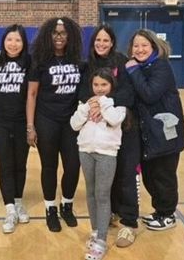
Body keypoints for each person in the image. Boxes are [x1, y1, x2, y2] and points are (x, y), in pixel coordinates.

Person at [79, 24, 141, 247]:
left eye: (106, 40)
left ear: (112, 42)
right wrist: (92, 104)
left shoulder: (122, 61)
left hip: (124, 129)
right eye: (98, 41)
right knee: (106, 181)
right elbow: (82, 91)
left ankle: (130, 223)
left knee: (125, 175)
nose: (101, 44)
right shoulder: (89, 65)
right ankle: (112, 214)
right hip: (99, 132)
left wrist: (104, 103)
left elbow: (128, 93)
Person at [125, 29, 184, 231]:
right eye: (136, 45)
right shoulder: (141, 68)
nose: (139, 49)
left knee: (164, 176)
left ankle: (168, 214)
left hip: (165, 134)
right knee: (150, 176)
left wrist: (133, 71)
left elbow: (150, 94)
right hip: (149, 135)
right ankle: (160, 211)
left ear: (153, 47)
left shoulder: (161, 67)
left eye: (144, 45)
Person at [26, 17, 83, 232]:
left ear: (70, 36)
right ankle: (50, 208)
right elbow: (31, 94)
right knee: (49, 166)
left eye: (63, 33)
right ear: (48, 36)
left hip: (70, 122)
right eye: (55, 33)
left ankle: (67, 205)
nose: (59, 37)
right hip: (46, 120)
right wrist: (30, 127)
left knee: (73, 165)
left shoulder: (77, 60)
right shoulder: (40, 61)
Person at [71, 67, 126, 260]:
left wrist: (102, 103)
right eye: (96, 85)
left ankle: (101, 240)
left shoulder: (118, 106)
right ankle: (95, 231)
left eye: (104, 84)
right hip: (85, 152)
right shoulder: (84, 104)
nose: (100, 88)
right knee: (91, 193)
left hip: (106, 154)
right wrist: (87, 108)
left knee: (103, 195)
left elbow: (114, 119)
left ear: (111, 85)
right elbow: (74, 124)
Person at [0, 24, 31, 234]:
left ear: (23, 43)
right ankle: (10, 210)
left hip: (22, 121)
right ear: (3, 41)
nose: (13, 44)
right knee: (5, 165)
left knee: (20, 165)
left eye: (18, 40)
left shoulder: (29, 62)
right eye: (9, 40)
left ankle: (19, 201)